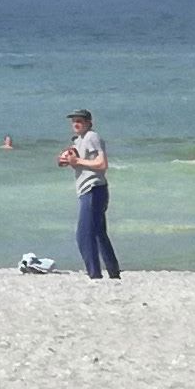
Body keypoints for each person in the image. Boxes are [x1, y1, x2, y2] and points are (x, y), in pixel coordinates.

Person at [58, 110, 121, 279]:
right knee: (99, 233)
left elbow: (102, 164)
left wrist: (77, 161)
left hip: (94, 188)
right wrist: (66, 160)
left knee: (84, 234)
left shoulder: (92, 137)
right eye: (74, 121)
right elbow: (75, 160)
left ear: (88, 122)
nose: (76, 124)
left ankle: (94, 274)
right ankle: (114, 273)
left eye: (79, 121)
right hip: (88, 189)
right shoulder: (78, 141)